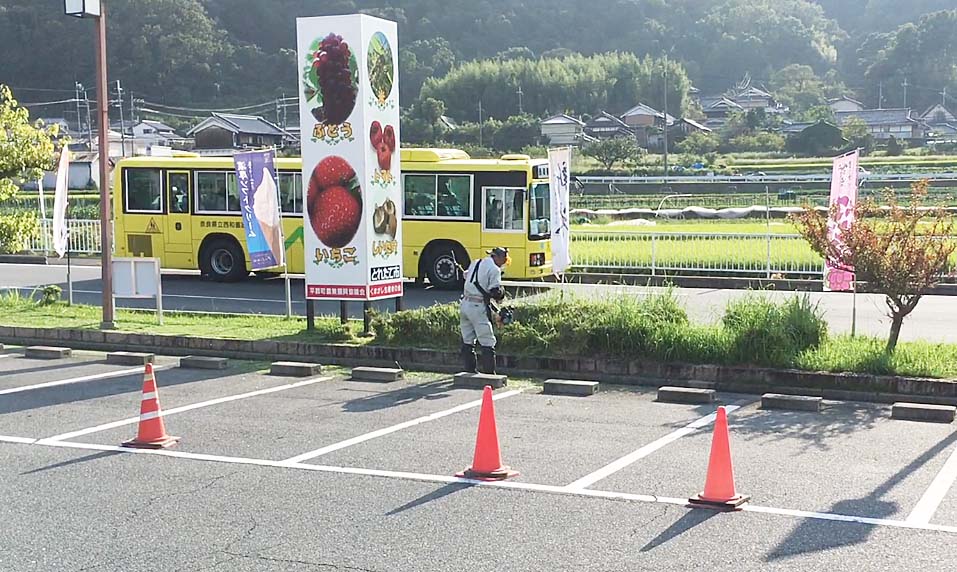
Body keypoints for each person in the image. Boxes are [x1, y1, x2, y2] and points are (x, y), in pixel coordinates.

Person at [460, 247, 509, 374]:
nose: (504, 263)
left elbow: (466, 275)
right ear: (498, 257)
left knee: (467, 339)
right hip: (477, 306)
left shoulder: (476, 262)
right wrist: (502, 293)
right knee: (487, 340)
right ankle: (489, 375)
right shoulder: (494, 269)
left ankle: (469, 371)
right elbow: (495, 292)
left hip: (465, 304)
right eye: (504, 259)